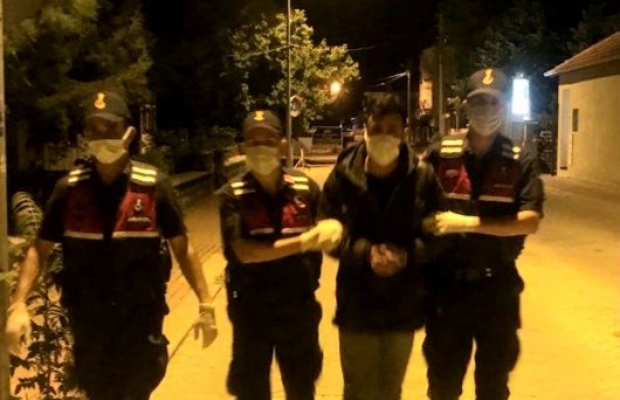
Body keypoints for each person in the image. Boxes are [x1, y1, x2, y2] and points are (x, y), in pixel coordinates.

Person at [5, 91, 217, 400]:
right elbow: (40, 248)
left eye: (111, 128)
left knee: (136, 389)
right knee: (99, 391)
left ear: (129, 133)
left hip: (140, 319)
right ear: (85, 135)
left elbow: (183, 247)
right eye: (94, 129)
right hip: (90, 321)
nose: (102, 136)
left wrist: (206, 303)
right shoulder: (69, 190)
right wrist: (19, 304)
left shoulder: (153, 186)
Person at [421, 68, 545, 400]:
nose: (487, 109)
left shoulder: (519, 159)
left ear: (504, 107)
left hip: (497, 288)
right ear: (466, 106)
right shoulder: (439, 154)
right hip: (446, 288)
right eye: (479, 102)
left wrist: (468, 223)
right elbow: (414, 203)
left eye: (494, 102)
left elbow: (530, 221)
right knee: (443, 386)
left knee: (493, 386)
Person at [318, 93, 439, 400]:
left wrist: (407, 256)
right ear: (365, 129)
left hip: (403, 299)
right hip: (357, 300)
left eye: (392, 129)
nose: (384, 136)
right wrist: (365, 253)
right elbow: (326, 229)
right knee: (358, 389)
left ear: (404, 133)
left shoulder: (423, 175)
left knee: (390, 388)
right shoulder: (344, 174)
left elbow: (439, 231)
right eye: (376, 128)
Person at [218, 109, 342, 400]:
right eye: (253, 140)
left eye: (269, 139)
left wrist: (335, 231)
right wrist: (304, 241)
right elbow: (244, 252)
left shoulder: (306, 188)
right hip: (251, 310)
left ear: (283, 145)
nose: (261, 146)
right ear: (243, 146)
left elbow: (328, 233)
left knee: (301, 387)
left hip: (298, 307)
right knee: (251, 390)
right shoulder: (232, 194)